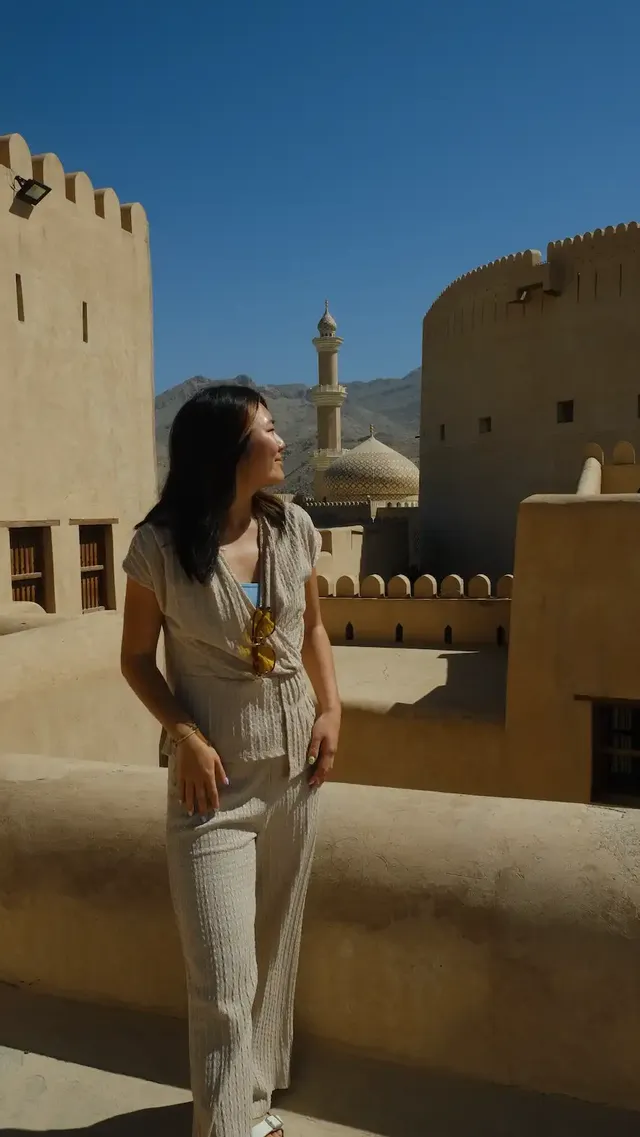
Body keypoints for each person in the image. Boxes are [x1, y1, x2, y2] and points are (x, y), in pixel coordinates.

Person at [120, 384, 341, 1137]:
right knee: (222, 977)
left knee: (272, 952)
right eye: (267, 430)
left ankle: (249, 1107)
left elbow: (313, 628)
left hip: (295, 774)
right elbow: (135, 660)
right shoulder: (158, 547)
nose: (282, 441)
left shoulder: (294, 527)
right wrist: (184, 735)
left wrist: (332, 708)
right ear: (227, 454)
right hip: (211, 787)